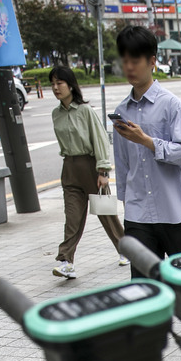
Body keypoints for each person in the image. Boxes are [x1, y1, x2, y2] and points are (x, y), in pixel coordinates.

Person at [112, 26, 181, 275]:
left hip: (175, 211)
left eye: (135, 60)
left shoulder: (172, 105)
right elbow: (122, 161)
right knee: (144, 288)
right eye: (125, 60)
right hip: (138, 214)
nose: (129, 67)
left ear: (152, 61)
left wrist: (147, 141)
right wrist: (126, 201)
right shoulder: (122, 111)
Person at [49, 65, 125, 280]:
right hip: (70, 168)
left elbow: (100, 139)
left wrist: (103, 170)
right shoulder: (56, 114)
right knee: (72, 218)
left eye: (59, 83)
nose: (55, 87)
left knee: (106, 214)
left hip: (91, 166)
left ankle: (126, 250)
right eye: (52, 83)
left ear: (71, 85)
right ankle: (65, 261)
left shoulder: (85, 111)